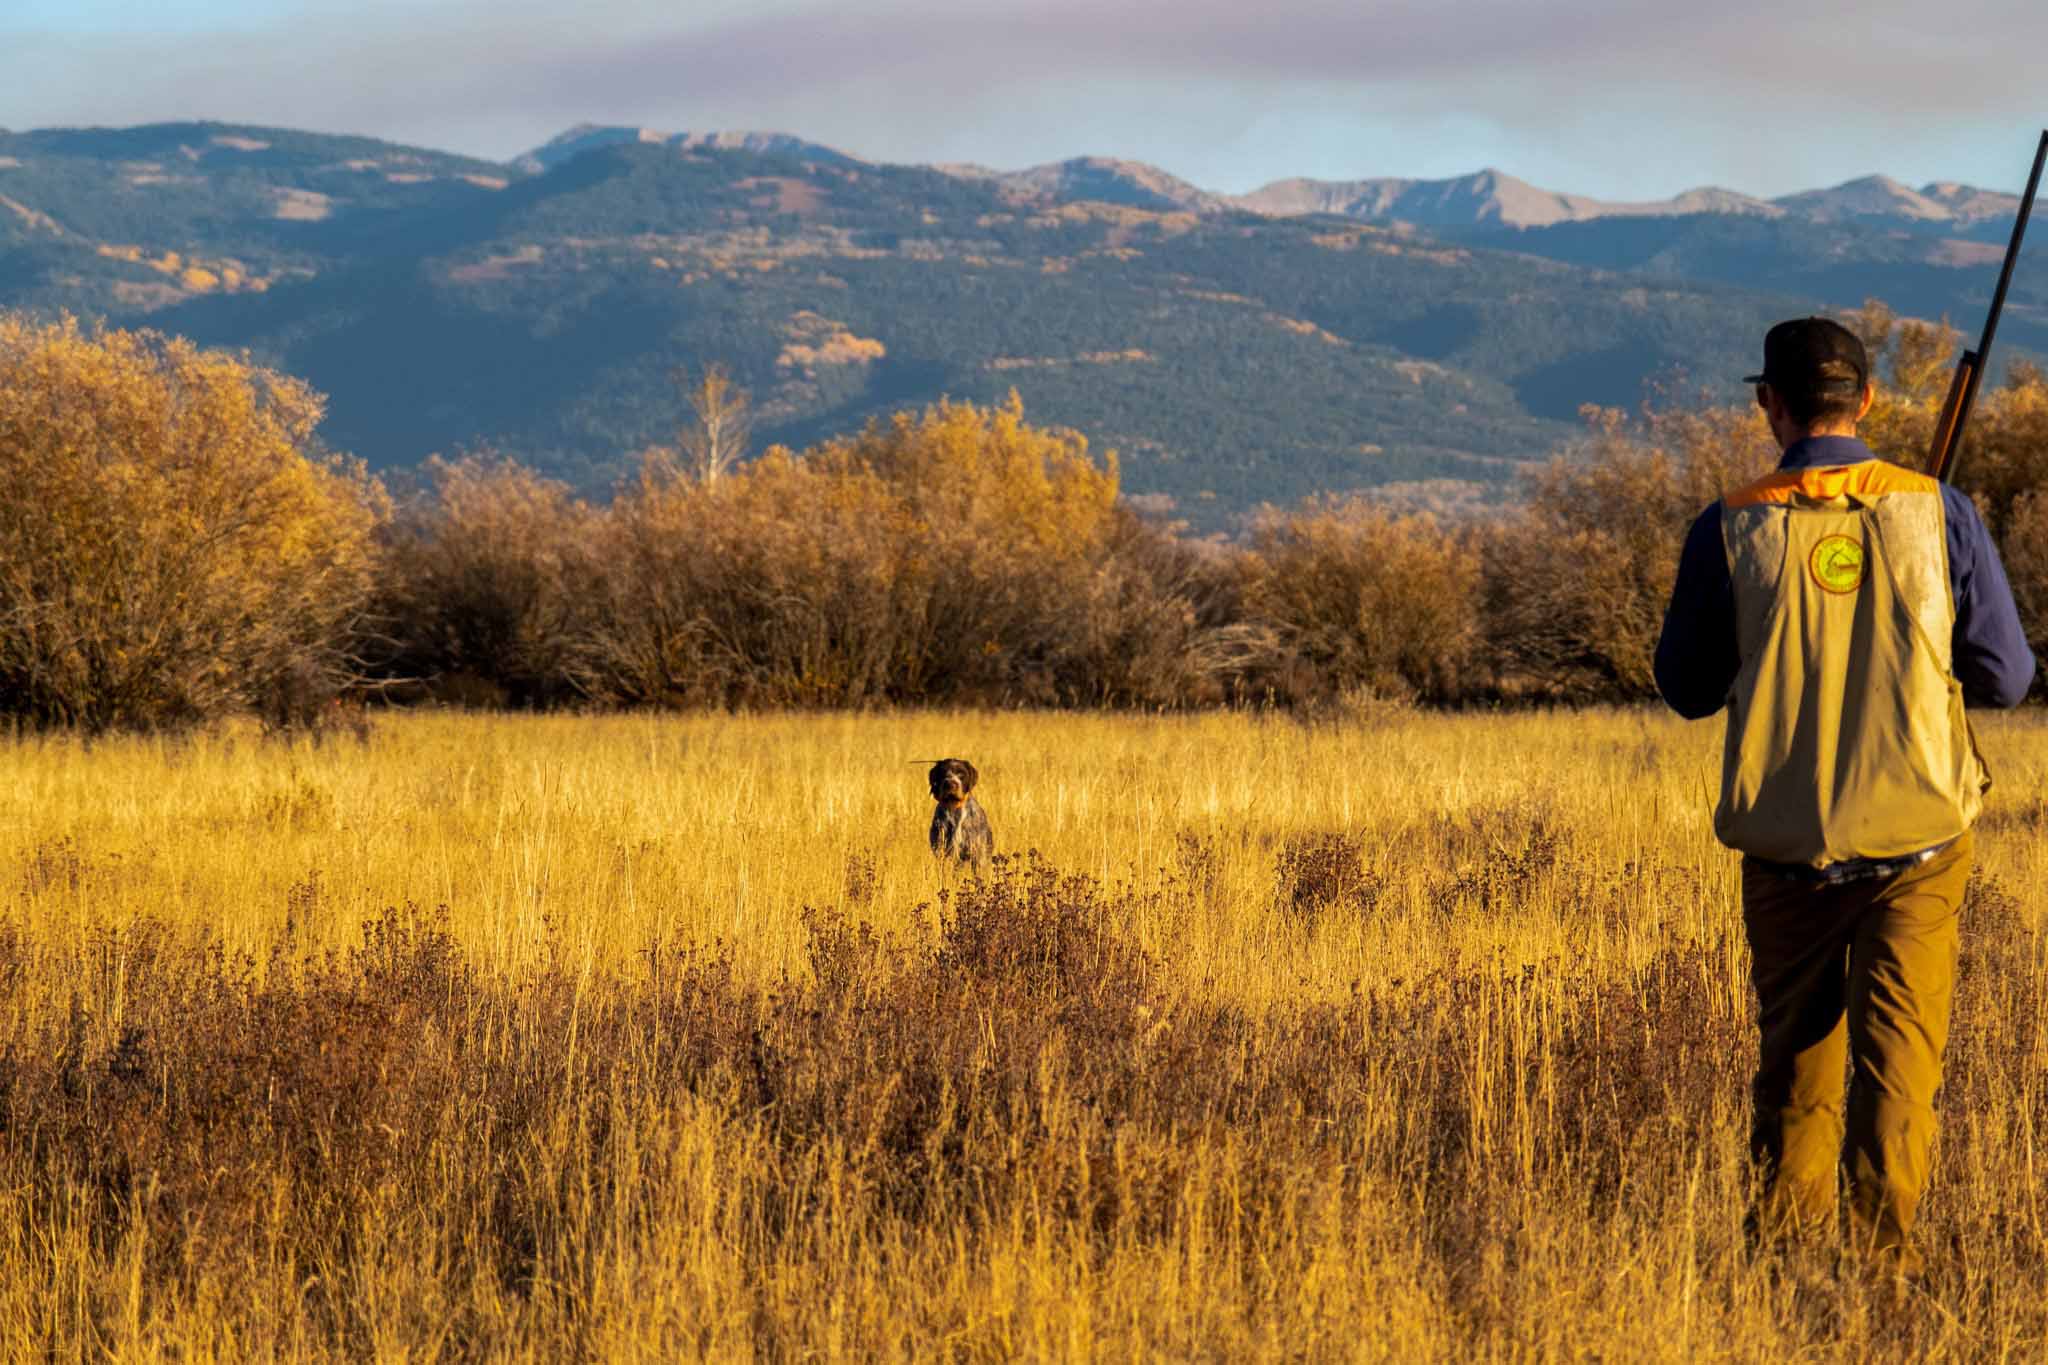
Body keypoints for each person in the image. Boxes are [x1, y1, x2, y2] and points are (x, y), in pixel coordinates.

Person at [1653, 316, 2035, 1274]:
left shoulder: (1729, 523)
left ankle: (1782, 1275)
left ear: (1768, 406)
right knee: (1898, 1071)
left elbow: (1687, 688)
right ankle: (1879, 1280)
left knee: (1794, 1070)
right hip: (1921, 840)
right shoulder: (1937, 509)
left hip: (1786, 849)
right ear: (1867, 400)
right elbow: (2005, 677)